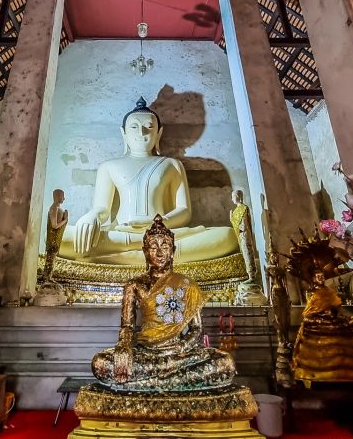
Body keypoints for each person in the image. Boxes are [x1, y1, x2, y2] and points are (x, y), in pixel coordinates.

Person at [60, 98, 237, 264]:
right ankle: (153, 256)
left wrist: (158, 223)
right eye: (134, 127)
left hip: (163, 235)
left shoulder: (171, 164)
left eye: (148, 127)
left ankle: (120, 258)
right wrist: (92, 217)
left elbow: (184, 211)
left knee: (228, 236)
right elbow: (102, 209)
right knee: (62, 238)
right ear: (124, 133)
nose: (141, 132)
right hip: (122, 234)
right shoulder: (109, 166)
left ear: (158, 133)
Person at [91, 216, 236, 391]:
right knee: (100, 363)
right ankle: (171, 381)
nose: (160, 253)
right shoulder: (134, 285)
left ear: (173, 250)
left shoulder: (186, 284)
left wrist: (181, 347)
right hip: (146, 353)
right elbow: (127, 326)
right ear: (145, 251)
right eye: (154, 247)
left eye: (165, 246)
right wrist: (123, 347)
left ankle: (144, 384)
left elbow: (197, 329)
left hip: (179, 353)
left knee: (225, 363)